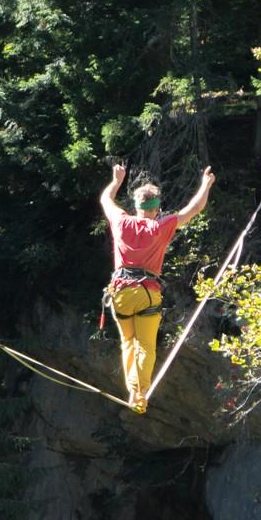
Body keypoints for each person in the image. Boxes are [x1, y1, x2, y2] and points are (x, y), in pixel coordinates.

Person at [99, 161, 214, 413]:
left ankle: (134, 391)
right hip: (146, 292)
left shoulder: (121, 221)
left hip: (119, 292)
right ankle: (139, 394)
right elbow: (194, 209)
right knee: (145, 346)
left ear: (137, 206)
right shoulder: (160, 226)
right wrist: (205, 185)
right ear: (156, 208)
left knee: (127, 343)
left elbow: (106, 199)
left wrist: (117, 181)